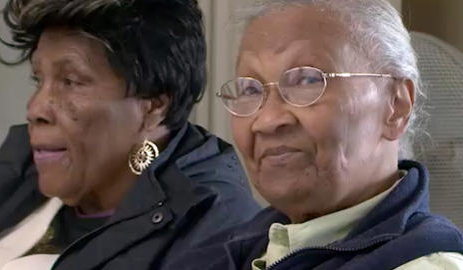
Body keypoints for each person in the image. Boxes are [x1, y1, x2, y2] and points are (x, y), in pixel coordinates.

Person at [167, 0, 463, 269]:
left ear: (396, 105)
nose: (267, 121)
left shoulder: (423, 262)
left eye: (307, 80)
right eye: (250, 89)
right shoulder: (237, 247)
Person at [0, 0, 261, 269]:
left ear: (153, 107)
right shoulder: (24, 166)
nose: (35, 109)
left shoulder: (213, 231)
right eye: (38, 79)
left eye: (71, 81)